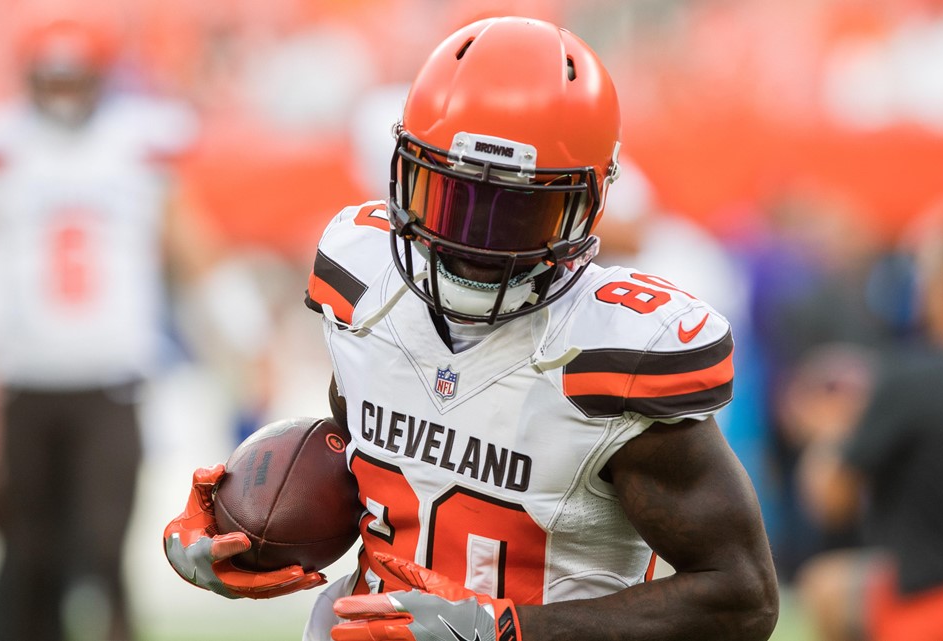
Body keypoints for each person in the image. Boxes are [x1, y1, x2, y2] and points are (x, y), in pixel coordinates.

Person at [164, 16, 779, 641]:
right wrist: (248, 524)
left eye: (519, 209)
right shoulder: (364, 286)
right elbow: (374, 466)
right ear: (402, 172)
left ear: (589, 203)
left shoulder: (613, 358)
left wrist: (510, 630)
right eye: (450, 197)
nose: (472, 244)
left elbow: (742, 596)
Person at [0, 17, 263, 641]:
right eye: (50, 81)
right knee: (26, 555)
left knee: (103, 550)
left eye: (74, 80)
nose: (62, 96)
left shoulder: (136, 146)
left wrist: (245, 337)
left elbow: (195, 252)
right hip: (22, 377)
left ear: (101, 81)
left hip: (110, 378)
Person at [796, 226, 943, 641]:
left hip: (930, 611)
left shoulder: (910, 381)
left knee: (825, 586)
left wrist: (831, 432)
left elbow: (830, 500)